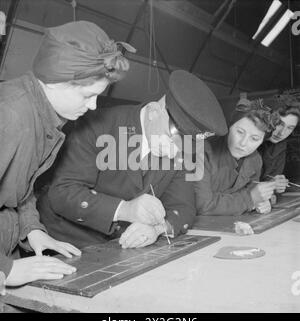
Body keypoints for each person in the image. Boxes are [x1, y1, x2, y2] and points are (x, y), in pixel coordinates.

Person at [0, 20, 135, 287]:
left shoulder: (44, 116)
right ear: (56, 81)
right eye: (87, 95)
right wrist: (6, 270)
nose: (93, 106)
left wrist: (33, 230)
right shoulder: (11, 116)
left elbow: (18, 189)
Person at [37, 70, 228, 249]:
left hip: (118, 244)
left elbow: (183, 206)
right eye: (173, 137)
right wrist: (124, 209)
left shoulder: (180, 149)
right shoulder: (98, 125)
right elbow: (63, 192)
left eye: (186, 144)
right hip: (64, 241)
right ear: (155, 111)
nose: (174, 151)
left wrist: (157, 229)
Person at [195, 99, 280, 216]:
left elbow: (253, 191)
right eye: (240, 132)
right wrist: (249, 199)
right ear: (229, 126)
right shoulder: (200, 151)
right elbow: (202, 205)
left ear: (262, 141)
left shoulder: (255, 160)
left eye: (254, 139)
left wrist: (261, 202)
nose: (243, 143)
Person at [258, 95, 300, 194]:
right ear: (268, 118)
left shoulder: (280, 145)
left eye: (290, 128)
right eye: (279, 124)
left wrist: (276, 183)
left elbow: (272, 178)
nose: (282, 133)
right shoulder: (250, 142)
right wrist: (269, 184)